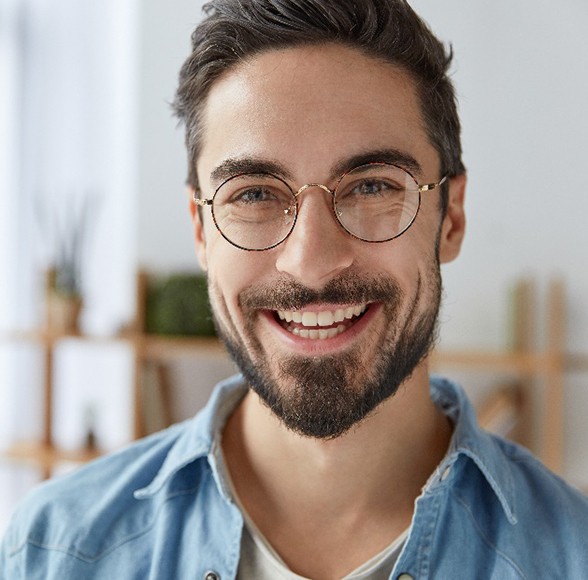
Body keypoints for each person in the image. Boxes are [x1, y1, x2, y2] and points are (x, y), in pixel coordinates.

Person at [2, 0, 588, 578]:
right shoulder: (52, 552)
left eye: (372, 186)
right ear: (202, 229)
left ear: (451, 216)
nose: (311, 263)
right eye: (254, 193)